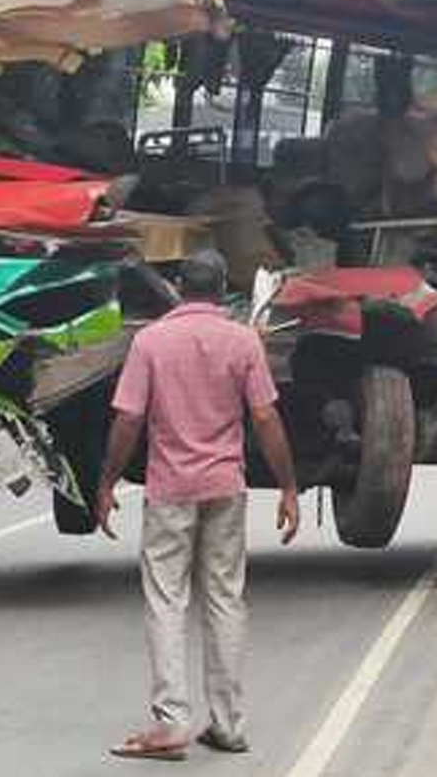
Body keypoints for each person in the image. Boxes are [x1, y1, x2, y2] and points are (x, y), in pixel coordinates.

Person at [96, 249, 301, 762]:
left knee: (167, 601)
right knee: (225, 599)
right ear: (222, 288)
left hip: (169, 490)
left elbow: (127, 421)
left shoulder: (150, 342)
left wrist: (107, 483)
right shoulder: (242, 342)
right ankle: (228, 725)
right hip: (224, 488)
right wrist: (288, 488)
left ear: (179, 287)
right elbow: (266, 418)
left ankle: (171, 723)